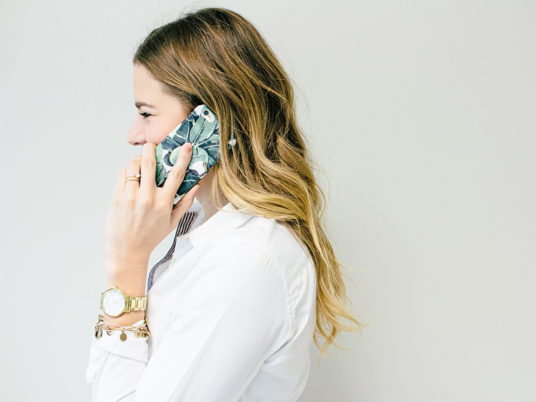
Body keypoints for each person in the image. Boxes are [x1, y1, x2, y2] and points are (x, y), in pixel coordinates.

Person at [85, 7, 365, 402]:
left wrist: (126, 266)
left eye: (146, 114)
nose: (134, 135)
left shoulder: (246, 261)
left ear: (211, 122)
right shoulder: (199, 227)